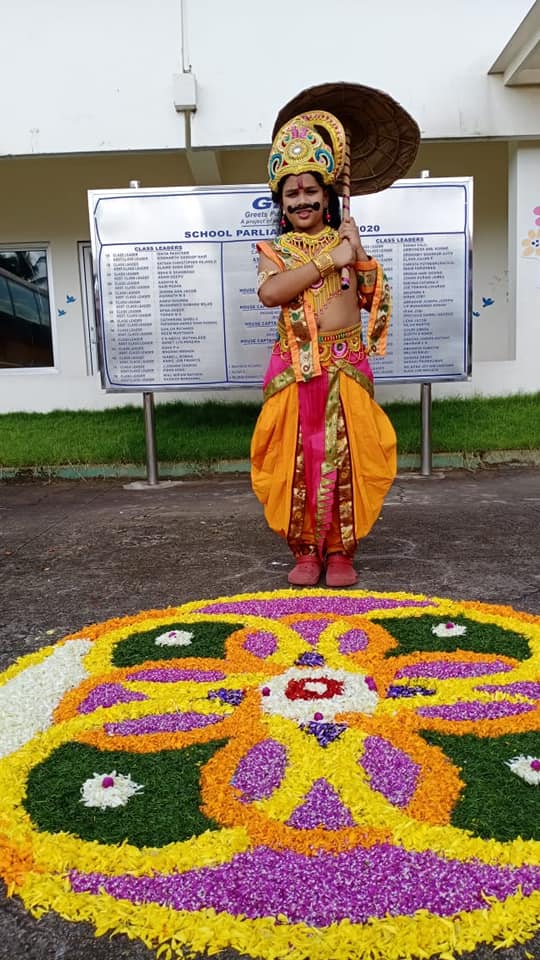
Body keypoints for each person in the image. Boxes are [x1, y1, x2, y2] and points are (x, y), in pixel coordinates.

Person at [250, 110, 396, 587]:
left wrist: (359, 255)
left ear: (328, 195)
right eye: (292, 194)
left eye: (311, 191)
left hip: (345, 366)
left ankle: (340, 550)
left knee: (347, 457)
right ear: (281, 202)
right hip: (296, 368)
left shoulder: (347, 242)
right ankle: (306, 549)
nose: (302, 200)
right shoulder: (275, 251)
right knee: (299, 458)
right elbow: (272, 293)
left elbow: (372, 300)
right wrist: (329, 259)